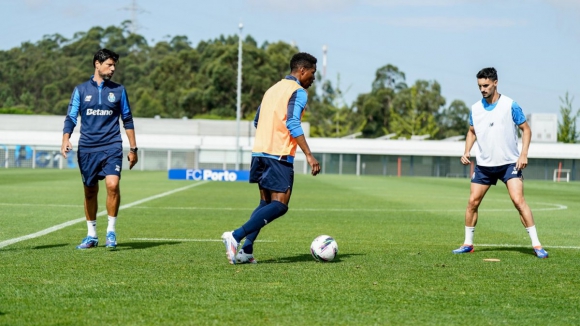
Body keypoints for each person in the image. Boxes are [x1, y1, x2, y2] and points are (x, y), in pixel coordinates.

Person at [221, 52, 321, 264]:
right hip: (279, 154)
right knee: (280, 205)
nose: (313, 79)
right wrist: (310, 156)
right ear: (302, 70)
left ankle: (246, 251)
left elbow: (257, 120)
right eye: (312, 73)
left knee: (265, 202)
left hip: (260, 152)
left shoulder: (272, 89)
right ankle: (236, 236)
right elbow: (293, 123)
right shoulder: (298, 92)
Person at [453, 67, 548, 258]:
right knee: (472, 202)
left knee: (518, 201)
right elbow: (472, 131)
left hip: (509, 164)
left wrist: (523, 154)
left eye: (486, 85)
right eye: (480, 86)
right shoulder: (475, 109)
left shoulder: (510, 105)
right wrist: (466, 151)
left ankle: (537, 245)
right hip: (484, 165)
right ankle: (467, 244)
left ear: (495, 82)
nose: (482, 89)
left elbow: (526, 129)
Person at [61, 48, 138, 250]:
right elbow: (71, 117)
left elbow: (127, 119)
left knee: (112, 185)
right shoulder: (80, 90)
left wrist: (133, 148)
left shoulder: (119, 90)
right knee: (89, 191)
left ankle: (111, 232)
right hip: (87, 148)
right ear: (97, 64)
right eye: (109, 65)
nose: (112, 69)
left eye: (114, 65)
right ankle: (91, 235)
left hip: (111, 145)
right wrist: (65, 139)